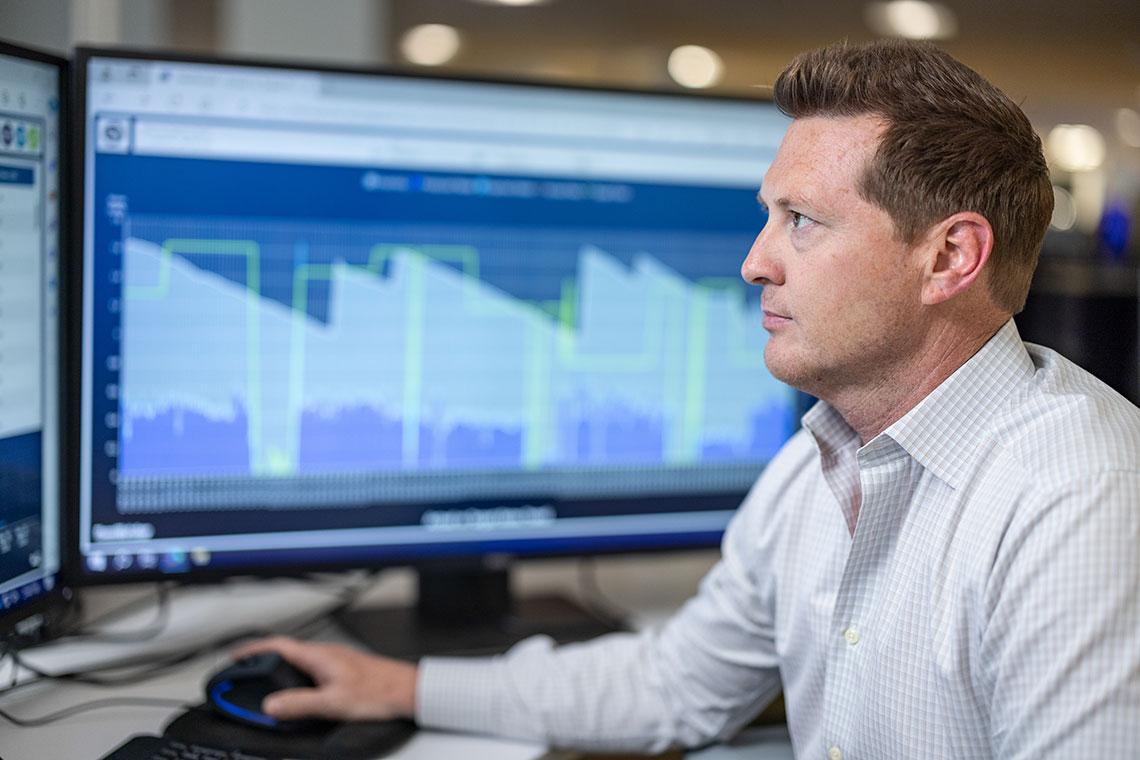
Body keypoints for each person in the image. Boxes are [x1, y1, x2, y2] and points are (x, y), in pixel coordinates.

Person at [237, 39, 1140, 758]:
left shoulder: (1078, 497)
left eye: (802, 221)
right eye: (767, 215)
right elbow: (674, 685)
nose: (755, 262)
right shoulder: (823, 461)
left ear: (949, 257)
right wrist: (400, 688)